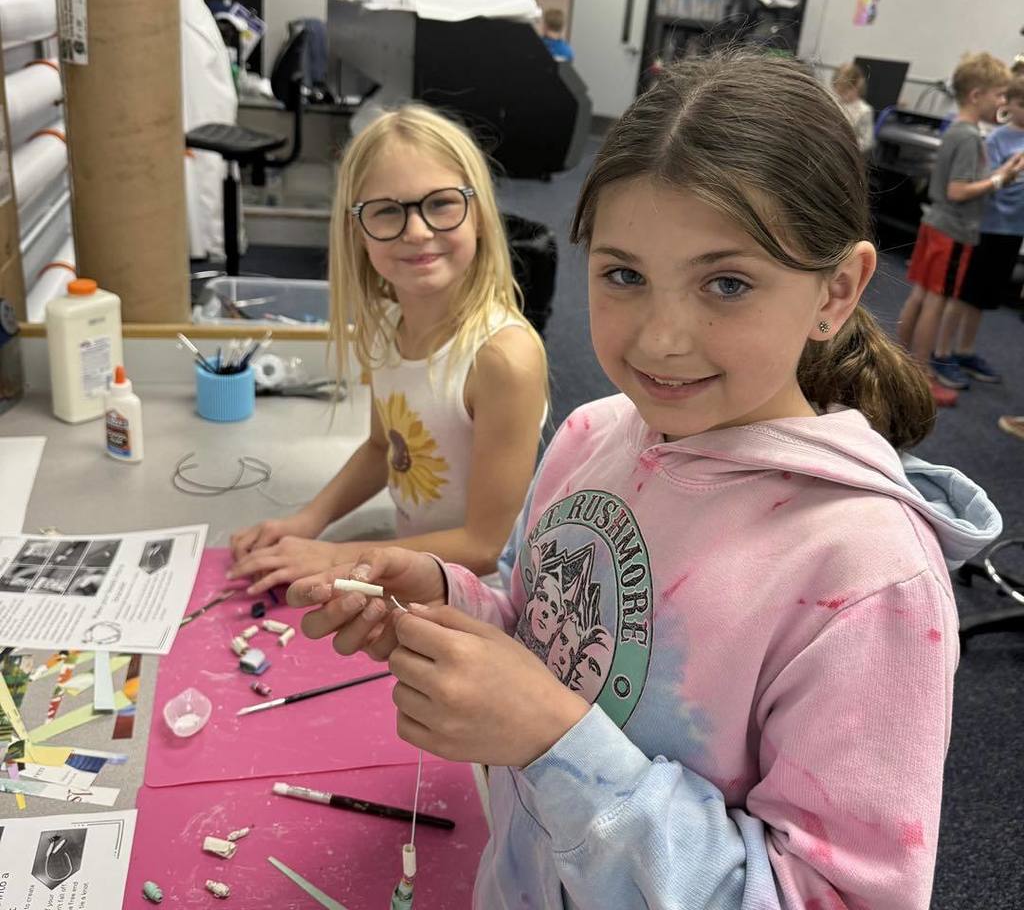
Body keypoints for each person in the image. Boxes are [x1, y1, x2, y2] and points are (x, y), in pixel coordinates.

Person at [288, 53, 1002, 910]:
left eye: (727, 283)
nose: (661, 338)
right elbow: (543, 633)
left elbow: (834, 897)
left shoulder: (867, 580)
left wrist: (553, 742)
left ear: (837, 291)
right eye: (623, 274)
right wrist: (445, 599)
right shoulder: (592, 436)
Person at [229, 104, 548, 591]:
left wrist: (331, 556)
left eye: (441, 203)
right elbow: (384, 447)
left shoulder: (502, 359)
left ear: (479, 215)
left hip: (479, 598)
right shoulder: (385, 328)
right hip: (402, 569)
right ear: (358, 232)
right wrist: (309, 522)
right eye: (387, 211)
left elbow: (486, 545)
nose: (417, 230)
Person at [896, 52, 1024, 405]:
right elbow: (958, 190)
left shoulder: (957, 128)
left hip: (936, 225)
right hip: (952, 232)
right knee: (935, 302)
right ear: (976, 95)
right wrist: (1001, 179)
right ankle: (921, 375)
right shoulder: (968, 136)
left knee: (921, 297)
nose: (1002, 102)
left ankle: (901, 364)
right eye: (999, 95)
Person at [946, 74, 1024, 384]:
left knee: (983, 298)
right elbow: (983, 180)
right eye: (1021, 104)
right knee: (965, 294)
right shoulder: (996, 140)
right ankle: (943, 351)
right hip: (989, 226)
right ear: (1010, 106)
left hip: (1013, 230)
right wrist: (1004, 175)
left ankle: (964, 351)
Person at [831, 62, 874, 153]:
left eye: (845, 91)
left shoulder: (864, 111)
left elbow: (867, 142)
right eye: (839, 91)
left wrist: (847, 144)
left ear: (857, 86)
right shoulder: (834, 103)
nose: (841, 95)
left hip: (847, 152)